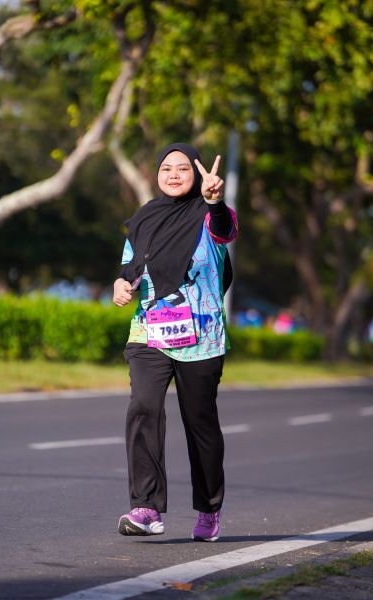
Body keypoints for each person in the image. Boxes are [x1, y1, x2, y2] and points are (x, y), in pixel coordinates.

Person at [113, 142, 238, 541]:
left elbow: (225, 230)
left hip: (201, 335)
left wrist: (214, 201)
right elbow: (130, 265)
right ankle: (146, 507)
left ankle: (209, 507)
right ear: (157, 174)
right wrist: (121, 284)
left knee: (200, 423)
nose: (173, 175)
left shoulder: (210, 213)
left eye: (183, 168)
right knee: (143, 408)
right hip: (149, 330)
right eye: (166, 168)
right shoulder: (145, 217)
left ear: (197, 175)